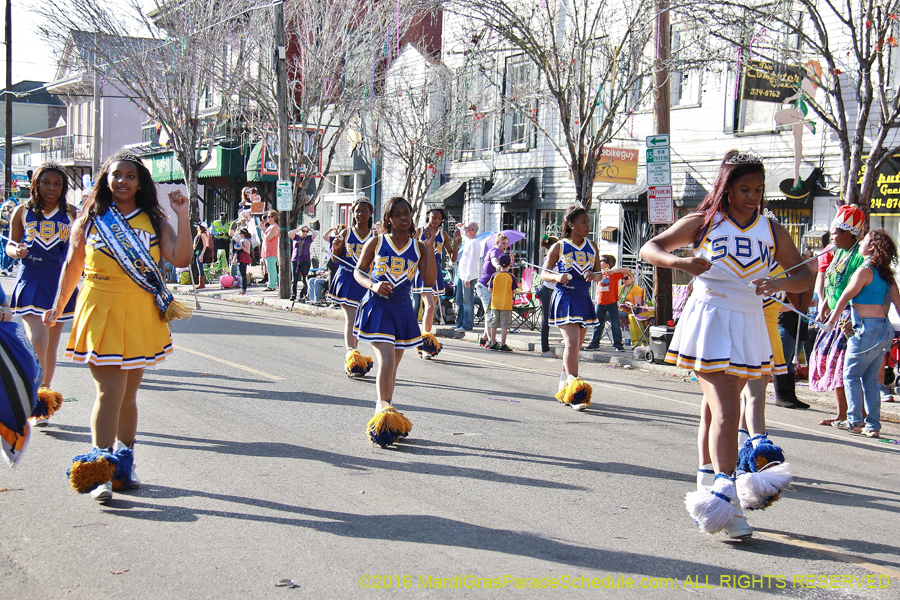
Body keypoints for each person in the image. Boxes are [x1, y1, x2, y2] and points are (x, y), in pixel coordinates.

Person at [640, 150, 811, 539]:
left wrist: (779, 283)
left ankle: (707, 492)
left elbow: (803, 276)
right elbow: (651, 248)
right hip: (711, 319)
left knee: (713, 413)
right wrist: (680, 264)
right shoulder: (704, 222)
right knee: (728, 413)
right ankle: (727, 497)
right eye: (744, 189)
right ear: (727, 188)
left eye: (758, 189)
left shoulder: (771, 228)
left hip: (750, 322)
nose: (753, 196)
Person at [44, 149, 193, 502]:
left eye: (130, 175)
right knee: (109, 391)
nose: (122, 181)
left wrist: (183, 216)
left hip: (141, 310)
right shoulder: (90, 219)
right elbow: (72, 267)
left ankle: (124, 463)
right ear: (105, 180)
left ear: (140, 182)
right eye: (116, 175)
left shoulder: (156, 222)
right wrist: (57, 306)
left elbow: (181, 259)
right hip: (100, 307)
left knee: (128, 396)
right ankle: (100, 469)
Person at [353, 197, 436, 447]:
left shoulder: (418, 247)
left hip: (402, 310)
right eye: (398, 213)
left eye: (407, 213)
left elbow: (430, 280)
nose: (404, 217)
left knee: (393, 366)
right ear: (388, 218)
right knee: (387, 360)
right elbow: (359, 271)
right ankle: (382, 413)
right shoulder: (377, 242)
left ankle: (386, 409)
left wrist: (430, 247)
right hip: (378, 307)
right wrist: (374, 284)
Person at [6, 162, 78, 424]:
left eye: (57, 184)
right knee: (38, 339)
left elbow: (79, 249)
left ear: (63, 187)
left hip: (60, 285)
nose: (51, 188)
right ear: (36, 184)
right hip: (31, 280)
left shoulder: (71, 213)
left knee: (50, 347)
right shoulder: (22, 211)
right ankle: (33, 396)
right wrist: (16, 251)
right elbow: (11, 245)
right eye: (46, 182)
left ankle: (43, 402)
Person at [826, 229, 900, 438]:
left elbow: (844, 298)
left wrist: (831, 321)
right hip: (883, 329)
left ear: (873, 247)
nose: (859, 243)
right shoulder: (887, 276)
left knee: (850, 375)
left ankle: (854, 421)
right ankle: (873, 426)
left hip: (866, 329)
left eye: (864, 241)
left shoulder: (865, 270)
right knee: (870, 380)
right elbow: (898, 304)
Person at [810, 205, 867, 426]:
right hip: (832, 315)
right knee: (833, 366)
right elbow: (830, 283)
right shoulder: (837, 254)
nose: (831, 235)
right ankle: (843, 413)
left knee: (845, 367)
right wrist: (824, 304)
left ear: (848, 233)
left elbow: (855, 289)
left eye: (835, 232)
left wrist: (843, 314)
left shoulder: (859, 257)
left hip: (848, 317)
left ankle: (856, 413)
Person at [542, 206, 601, 411]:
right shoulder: (559, 246)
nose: (587, 225)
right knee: (572, 342)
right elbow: (545, 274)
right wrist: (558, 276)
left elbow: (599, 273)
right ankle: (575, 393)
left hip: (583, 298)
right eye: (583, 222)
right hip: (565, 296)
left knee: (575, 348)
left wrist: (595, 276)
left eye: (588, 222)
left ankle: (564, 383)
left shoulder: (592, 246)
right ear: (572, 224)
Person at [328, 197, 375, 377]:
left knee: (360, 322)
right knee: (351, 318)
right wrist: (336, 246)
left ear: (370, 213)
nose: (360, 214)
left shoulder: (375, 236)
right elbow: (335, 259)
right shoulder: (347, 233)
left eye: (364, 211)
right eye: (357, 211)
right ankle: (351, 356)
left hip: (365, 282)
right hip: (347, 278)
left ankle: (354, 356)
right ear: (352, 213)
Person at [412, 208, 457, 359]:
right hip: (422, 269)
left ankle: (425, 342)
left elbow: (453, 257)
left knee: (431, 308)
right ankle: (425, 344)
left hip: (436, 271)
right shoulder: (419, 231)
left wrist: (456, 241)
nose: (436, 221)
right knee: (430, 306)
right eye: (433, 218)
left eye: (439, 219)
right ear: (428, 217)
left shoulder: (443, 234)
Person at [586, 254, 630, 351]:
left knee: (615, 324)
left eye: (602, 261)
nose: (600, 262)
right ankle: (594, 343)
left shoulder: (613, 274)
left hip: (612, 303)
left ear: (607, 264)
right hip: (600, 303)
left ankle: (618, 345)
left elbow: (627, 271)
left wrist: (613, 271)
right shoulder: (598, 274)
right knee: (598, 325)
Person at [476, 234, 512, 347]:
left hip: (491, 287)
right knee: (490, 314)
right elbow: (494, 260)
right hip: (485, 286)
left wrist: (510, 261)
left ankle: (484, 338)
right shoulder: (495, 251)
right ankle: (492, 340)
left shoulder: (503, 255)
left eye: (507, 244)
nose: (505, 246)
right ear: (497, 243)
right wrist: (498, 266)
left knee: (491, 313)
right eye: (503, 243)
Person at [452, 221, 480, 333]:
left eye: (467, 228)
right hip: (461, 275)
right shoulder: (469, 240)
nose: (465, 230)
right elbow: (463, 235)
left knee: (467, 301)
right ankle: (460, 323)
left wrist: (468, 277)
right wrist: (461, 227)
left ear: (472, 230)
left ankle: (467, 325)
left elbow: (473, 261)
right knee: (459, 300)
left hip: (468, 277)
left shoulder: (475, 243)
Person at [487, 253, 517, 351]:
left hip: (495, 304)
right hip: (506, 304)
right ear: (510, 264)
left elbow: (490, 289)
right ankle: (503, 344)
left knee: (494, 324)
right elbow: (514, 291)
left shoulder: (494, 275)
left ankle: (492, 343)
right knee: (504, 325)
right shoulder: (511, 277)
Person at [537, 235, 559, 357]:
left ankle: (573, 343)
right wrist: (557, 277)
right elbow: (547, 275)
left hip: (558, 291)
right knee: (546, 320)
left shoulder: (559, 259)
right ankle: (545, 349)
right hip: (548, 290)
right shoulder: (548, 260)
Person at [288, 224, 318, 301]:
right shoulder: (296, 237)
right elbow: (289, 233)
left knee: (305, 278)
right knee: (294, 279)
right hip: (295, 260)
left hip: (305, 260)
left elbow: (316, 233)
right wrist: (299, 228)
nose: (305, 233)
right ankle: (293, 295)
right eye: (303, 231)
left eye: (306, 231)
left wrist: (310, 229)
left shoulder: (309, 238)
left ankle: (303, 295)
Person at [618, 270, 647, 346]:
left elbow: (637, 306)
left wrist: (625, 305)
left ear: (632, 277)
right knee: (601, 313)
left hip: (629, 313)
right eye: (622, 278)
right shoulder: (620, 288)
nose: (624, 280)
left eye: (626, 278)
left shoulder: (636, 289)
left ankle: (617, 342)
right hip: (618, 310)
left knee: (608, 314)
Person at [261, 210, 280, 291]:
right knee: (270, 268)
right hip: (267, 250)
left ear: (274, 218)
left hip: (272, 251)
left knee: (271, 268)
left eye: (269, 216)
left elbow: (268, 237)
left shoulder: (275, 227)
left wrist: (263, 231)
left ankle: (271, 285)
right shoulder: (270, 227)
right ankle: (275, 283)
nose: (267, 218)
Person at [190, 223, 213, 289]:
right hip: (197, 252)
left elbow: (205, 246)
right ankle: (200, 282)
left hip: (200, 252)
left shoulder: (203, 235)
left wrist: (201, 255)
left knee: (200, 267)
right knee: (198, 266)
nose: (197, 227)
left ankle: (201, 283)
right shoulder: (199, 235)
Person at [234, 227, 252, 294]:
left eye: (240, 234)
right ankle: (242, 289)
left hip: (244, 258)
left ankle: (243, 289)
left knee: (243, 274)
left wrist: (241, 246)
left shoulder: (246, 240)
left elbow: (248, 250)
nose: (239, 235)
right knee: (240, 274)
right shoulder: (242, 240)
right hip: (239, 257)